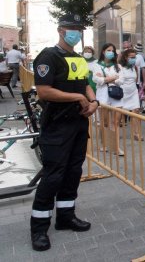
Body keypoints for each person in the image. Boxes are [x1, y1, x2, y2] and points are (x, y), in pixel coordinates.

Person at [30, 14, 99, 251]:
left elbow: (85, 82)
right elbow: (44, 91)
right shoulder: (48, 56)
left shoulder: (77, 58)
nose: (76, 33)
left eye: (79, 30)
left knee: (72, 172)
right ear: (61, 30)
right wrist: (78, 97)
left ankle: (65, 217)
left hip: (78, 124)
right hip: (57, 125)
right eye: (72, 29)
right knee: (53, 175)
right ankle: (39, 228)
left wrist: (94, 101)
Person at [92, 43, 124, 155]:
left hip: (116, 96)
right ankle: (104, 143)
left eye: (112, 50)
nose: (111, 52)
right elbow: (96, 79)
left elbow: (121, 81)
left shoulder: (118, 66)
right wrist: (113, 78)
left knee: (116, 122)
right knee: (104, 122)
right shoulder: (97, 65)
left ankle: (115, 146)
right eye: (108, 50)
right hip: (102, 95)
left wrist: (106, 79)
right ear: (103, 51)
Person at [119, 48, 143, 141]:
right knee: (120, 113)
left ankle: (136, 133)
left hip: (133, 92)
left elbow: (136, 80)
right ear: (125, 57)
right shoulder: (120, 67)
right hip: (123, 92)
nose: (133, 59)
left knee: (135, 111)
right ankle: (116, 132)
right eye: (131, 57)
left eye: (134, 57)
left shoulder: (134, 67)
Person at [134, 43, 145, 113]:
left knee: (139, 95)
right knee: (142, 93)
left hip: (138, 81)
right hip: (129, 83)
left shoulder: (139, 57)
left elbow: (144, 69)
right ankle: (143, 105)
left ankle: (141, 106)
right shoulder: (144, 55)